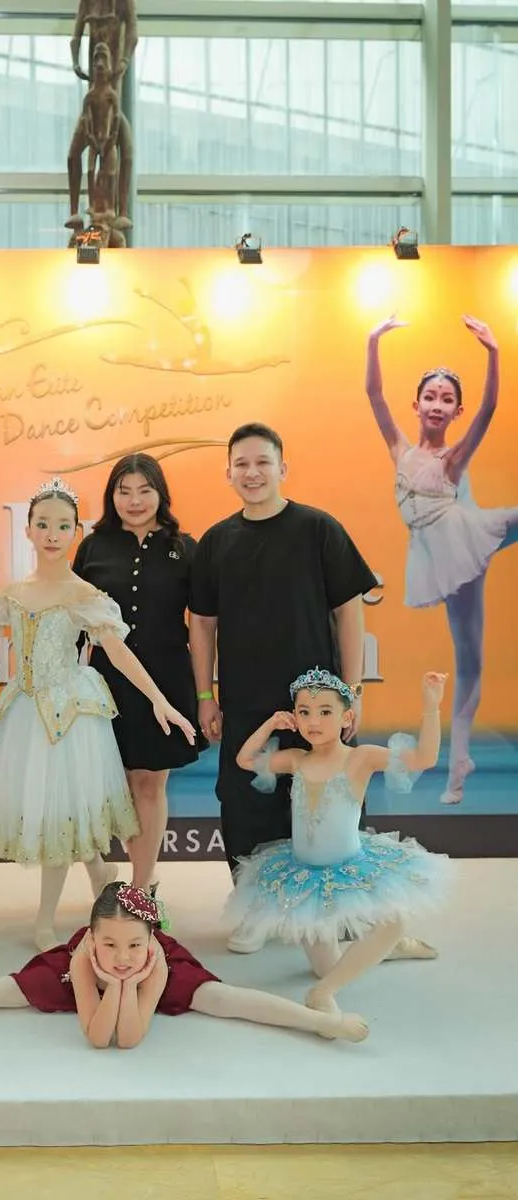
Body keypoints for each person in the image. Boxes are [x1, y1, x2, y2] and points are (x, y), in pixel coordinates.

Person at [0, 476, 196, 952]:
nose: (52, 534)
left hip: (71, 713)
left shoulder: (85, 595)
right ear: (27, 530)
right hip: (29, 715)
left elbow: (118, 652)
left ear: (75, 532)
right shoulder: (9, 595)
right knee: (56, 807)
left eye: (63, 525)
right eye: (43, 524)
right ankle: (101, 872)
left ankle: (45, 920)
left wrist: (160, 700)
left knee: (63, 809)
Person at [188, 422, 380, 953]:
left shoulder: (319, 529)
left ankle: (342, 907)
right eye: (242, 464)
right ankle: (255, 910)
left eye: (262, 463)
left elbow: (349, 612)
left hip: (317, 701)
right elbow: (202, 623)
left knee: (331, 797)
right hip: (247, 701)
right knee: (244, 801)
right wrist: (205, 696)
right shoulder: (217, 541)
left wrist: (351, 692)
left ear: (282, 468)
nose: (252, 473)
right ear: (229, 472)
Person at [0, 880, 369, 1044]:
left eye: (133, 945)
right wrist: (104, 973)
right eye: (110, 945)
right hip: (88, 971)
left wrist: (131, 981)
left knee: (223, 999)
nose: (122, 957)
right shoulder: (85, 957)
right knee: (6, 990)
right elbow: (98, 1035)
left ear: (152, 939)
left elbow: (128, 1038)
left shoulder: (154, 959)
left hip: (153, 972)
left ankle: (320, 1023)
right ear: (91, 938)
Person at [223, 669, 452, 1019]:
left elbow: (423, 759)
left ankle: (324, 992)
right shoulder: (297, 759)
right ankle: (386, 950)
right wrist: (270, 724)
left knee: (394, 921)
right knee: (325, 966)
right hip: (304, 875)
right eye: (304, 712)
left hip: (349, 867)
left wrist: (431, 706)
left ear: (346, 717)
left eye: (325, 711)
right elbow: (244, 760)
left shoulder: (360, 758)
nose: (313, 721)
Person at [365, 314, 518, 805]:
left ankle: (456, 767)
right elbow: (374, 394)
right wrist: (373, 340)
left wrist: (494, 352)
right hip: (442, 560)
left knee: (471, 662)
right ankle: (461, 762)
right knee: (468, 660)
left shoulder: (452, 458)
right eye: (430, 396)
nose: (437, 404)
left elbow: (489, 410)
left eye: (446, 399)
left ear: (456, 411)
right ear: (417, 404)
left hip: (465, 541)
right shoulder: (400, 449)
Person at [74, 453, 206, 892]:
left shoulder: (185, 547)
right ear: (111, 496)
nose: (134, 501)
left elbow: (203, 624)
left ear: (160, 494)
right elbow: (72, 620)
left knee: (149, 784)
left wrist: (205, 692)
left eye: (144, 491)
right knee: (113, 785)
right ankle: (116, 875)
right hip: (105, 683)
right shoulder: (93, 547)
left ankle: (142, 886)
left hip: (165, 679)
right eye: (124, 491)